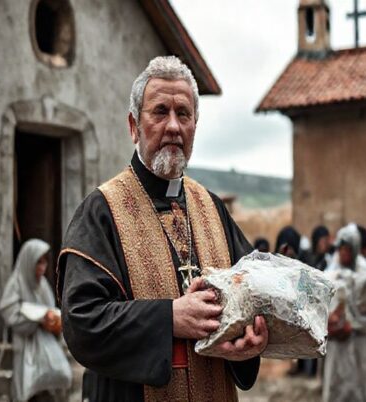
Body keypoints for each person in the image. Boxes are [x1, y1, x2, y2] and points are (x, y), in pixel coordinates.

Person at [57, 56, 264, 401]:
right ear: (134, 125)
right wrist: (169, 317)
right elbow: (82, 321)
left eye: (183, 114)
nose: (173, 126)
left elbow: (254, 295)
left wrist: (254, 339)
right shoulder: (101, 210)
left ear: (195, 124)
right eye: (160, 111)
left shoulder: (213, 208)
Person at [0, 239, 72, 402]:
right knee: (28, 376)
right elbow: (8, 311)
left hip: (44, 336)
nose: (42, 267)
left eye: (44, 262)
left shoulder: (43, 285)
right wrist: (34, 320)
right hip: (26, 337)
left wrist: (51, 321)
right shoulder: (17, 283)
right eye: (38, 262)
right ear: (28, 260)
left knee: (60, 371)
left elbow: (50, 310)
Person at [324, 224, 366, 402]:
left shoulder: (365, 278)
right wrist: (332, 321)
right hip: (336, 343)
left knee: (359, 388)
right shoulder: (329, 276)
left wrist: (353, 324)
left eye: (347, 249)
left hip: (357, 343)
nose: (343, 253)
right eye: (340, 249)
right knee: (337, 387)